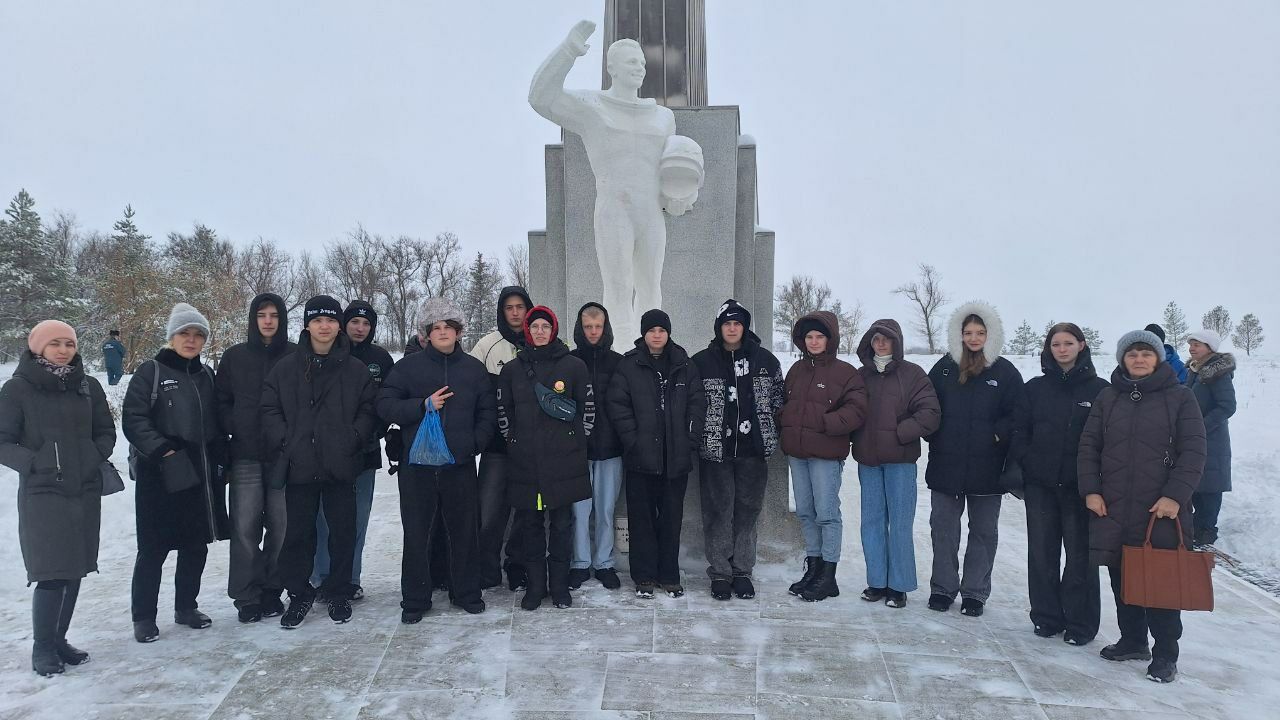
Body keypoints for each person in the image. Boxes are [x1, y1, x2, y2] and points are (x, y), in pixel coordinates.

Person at [1078, 329, 1206, 684]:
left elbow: (1194, 452)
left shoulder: (1181, 398)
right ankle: (1133, 640)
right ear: (1122, 359)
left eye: (1146, 353)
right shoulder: (1108, 397)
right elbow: (1089, 447)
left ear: (1158, 359)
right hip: (1114, 506)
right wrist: (1091, 489)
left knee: (1161, 583)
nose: (1138, 359)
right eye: (1132, 353)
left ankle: (1166, 653)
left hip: (1160, 509)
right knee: (1123, 576)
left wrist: (1175, 496)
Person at [1, 321, 115, 676]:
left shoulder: (87, 386)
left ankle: (59, 638)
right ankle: (42, 646)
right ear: (38, 348)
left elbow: (105, 431)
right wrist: (36, 464)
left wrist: (93, 456)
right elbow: (3, 441)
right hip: (43, 493)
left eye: (69, 343)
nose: (64, 349)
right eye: (55, 344)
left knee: (76, 568)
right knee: (52, 572)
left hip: (83, 489)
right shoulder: (18, 389)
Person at [262, 295, 377, 629]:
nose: (324, 327)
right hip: (300, 465)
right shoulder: (286, 367)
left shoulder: (354, 369)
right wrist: (287, 441)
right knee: (298, 534)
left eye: (329, 320)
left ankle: (339, 591)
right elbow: (269, 408)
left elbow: (369, 409)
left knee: (342, 531)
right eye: (317, 320)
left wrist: (352, 438)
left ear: (337, 325)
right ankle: (299, 594)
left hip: (340, 464)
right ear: (307, 325)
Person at [378, 298, 494, 621]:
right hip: (417, 467)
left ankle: (466, 592)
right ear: (426, 334)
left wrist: (473, 444)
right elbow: (385, 404)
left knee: (464, 531)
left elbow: (487, 413)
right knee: (417, 533)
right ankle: (415, 599)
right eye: (436, 327)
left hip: (459, 465)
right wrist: (422, 406)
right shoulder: (407, 368)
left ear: (459, 332)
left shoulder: (473, 370)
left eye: (449, 327)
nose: (443, 332)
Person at [123, 303, 229, 643]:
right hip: (160, 473)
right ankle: (143, 617)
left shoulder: (207, 375)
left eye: (198, 335)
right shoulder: (150, 372)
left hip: (199, 473)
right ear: (171, 336)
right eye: (185, 333)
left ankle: (186, 606)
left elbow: (217, 419)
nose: (192, 340)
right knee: (153, 548)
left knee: (195, 545)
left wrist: (221, 451)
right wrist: (163, 449)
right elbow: (134, 420)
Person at [925, 301, 1024, 617]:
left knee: (983, 533)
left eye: (980, 332)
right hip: (946, 465)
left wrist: (999, 434)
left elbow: (1019, 414)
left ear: (990, 334)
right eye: (967, 332)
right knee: (943, 531)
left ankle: (975, 593)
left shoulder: (1005, 372)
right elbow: (926, 405)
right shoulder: (943, 368)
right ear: (958, 334)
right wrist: (934, 432)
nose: (973, 338)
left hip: (988, 468)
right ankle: (942, 588)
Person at [1010, 323, 1108, 644]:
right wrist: (1027, 463)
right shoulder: (1035, 389)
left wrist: (1096, 482)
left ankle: (1080, 624)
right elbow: (1019, 431)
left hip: (1080, 489)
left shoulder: (1101, 391)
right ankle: (1046, 616)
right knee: (1041, 553)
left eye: (1068, 343)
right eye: (1056, 344)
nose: (1062, 349)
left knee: (1080, 557)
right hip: (1041, 486)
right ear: (1048, 348)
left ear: (1082, 345)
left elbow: (1108, 441)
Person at [498, 306, 592, 609]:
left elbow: (586, 410)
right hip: (525, 461)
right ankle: (536, 587)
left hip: (564, 461)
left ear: (554, 330)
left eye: (545, 326)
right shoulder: (512, 370)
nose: (540, 331)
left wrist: (576, 441)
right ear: (527, 330)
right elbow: (504, 412)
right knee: (530, 525)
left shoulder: (574, 366)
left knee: (563, 524)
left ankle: (560, 586)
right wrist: (513, 441)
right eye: (534, 326)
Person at [609, 309, 706, 599]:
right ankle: (644, 576)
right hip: (641, 459)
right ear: (644, 333)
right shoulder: (629, 365)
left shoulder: (684, 364)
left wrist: (690, 438)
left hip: (675, 459)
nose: (656, 335)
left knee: (671, 519)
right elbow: (618, 405)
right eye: (651, 330)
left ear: (668, 333)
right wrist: (633, 440)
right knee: (642, 520)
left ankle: (669, 574)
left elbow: (697, 403)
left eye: (661, 330)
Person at [691, 299, 784, 601]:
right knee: (718, 512)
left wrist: (769, 433)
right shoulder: (702, 362)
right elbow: (692, 406)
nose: (732, 328)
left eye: (737, 323)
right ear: (719, 327)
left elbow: (779, 404)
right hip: (715, 452)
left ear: (744, 327)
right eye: (727, 323)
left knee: (747, 512)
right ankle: (720, 572)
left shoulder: (766, 362)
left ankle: (742, 571)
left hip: (752, 453)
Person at [215, 293, 294, 623]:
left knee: (281, 526)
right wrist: (237, 425)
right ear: (253, 318)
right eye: (262, 315)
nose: (268, 321)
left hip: (283, 455)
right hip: (245, 455)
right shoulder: (235, 357)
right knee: (245, 528)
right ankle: (246, 596)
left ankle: (273, 589)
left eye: (274, 315)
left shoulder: (294, 355)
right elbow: (220, 401)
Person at [851, 319, 939, 609]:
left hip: (901, 461)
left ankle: (898, 586)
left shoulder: (913, 375)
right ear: (870, 342)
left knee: (900, 524)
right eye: (876, 339)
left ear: (896, 342)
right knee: (871, 522)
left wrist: (900, 434)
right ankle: (877, 581)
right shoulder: (861, 376)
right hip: (869, 460)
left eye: (887, 339)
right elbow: (849, 409)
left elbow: (929, 413)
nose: (881, 344)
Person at [779, 311, 868, 602]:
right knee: (806, 512)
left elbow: (856, 411)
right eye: (809, 337)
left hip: (826, 455)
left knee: (827, 514)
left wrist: (825, 424)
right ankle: (814, 567)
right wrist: (786, 421)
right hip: (798, 452)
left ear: (829, 339)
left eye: (819, 336)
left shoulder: (846, 373)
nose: (814, 341)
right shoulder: (796, 370)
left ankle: (829, 575)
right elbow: (784, 402)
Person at [310, 300, 394, 600]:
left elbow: (385, 403)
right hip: (325, 454)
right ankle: (321, 577)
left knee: (357, 519)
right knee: (323, 518)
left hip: (364, 451)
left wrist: (372, 433)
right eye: (355, 322)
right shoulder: (327, 353)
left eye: (366, 323)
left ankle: (350, 577)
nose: (360, 328)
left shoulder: (381, 359)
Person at [470, 286, 533, 590]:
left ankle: (517, 565)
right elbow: (470, 391)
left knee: (525, 511)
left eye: (520, 306)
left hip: (532, 448)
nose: (516, 313)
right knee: (489, 511)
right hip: (496, 447)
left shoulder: (541, 341)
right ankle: (486, 566)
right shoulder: (487, 346)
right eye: (509, 307)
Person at [568, 302, 625, 591]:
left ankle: (603, 562)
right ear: (580, 328)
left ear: (605, 328)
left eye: (597, 326)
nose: (592, 332)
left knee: (605, 509)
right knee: (579, 511)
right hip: (576, 450)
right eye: (588, 326)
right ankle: (579, 562)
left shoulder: (618, 363)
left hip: (610, 448)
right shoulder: (568, 361)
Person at [1185, 328, 1236, 546]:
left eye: (1197, 344)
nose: (1192, 348)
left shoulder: (1217, 373)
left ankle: (1206, 533)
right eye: (1191, 344)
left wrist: (1201, 426)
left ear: (1210, 348)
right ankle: (1196, 530)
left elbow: (1227, 406)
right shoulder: (1195, 371)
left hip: (1212, 440)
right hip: (1193, 438)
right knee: (1195, 483)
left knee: (1210, 487)